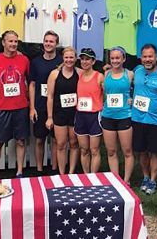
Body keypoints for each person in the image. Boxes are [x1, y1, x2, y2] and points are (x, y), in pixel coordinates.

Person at [0, 30, 29, 179]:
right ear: (3, 42)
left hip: (21, 107)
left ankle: (20, 172)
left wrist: (27, 98)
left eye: (16, 41)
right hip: (2, 107)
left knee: (21, 141)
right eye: (10, 41)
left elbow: (29, 81)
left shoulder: (24, 60)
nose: (13, 44)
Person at [133, 44, 157, 195]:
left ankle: (153, 180)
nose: (147, 59)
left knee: (155, 152)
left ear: (156, 57)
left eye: (150, 56)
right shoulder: (137, 72)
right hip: (138, 119)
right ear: (141, 58)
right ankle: (145, 176)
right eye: (145, 56)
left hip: (156, 121)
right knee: (141, 151)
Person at [29, 30, 62, 175]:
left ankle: (54, 169)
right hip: (40, 106)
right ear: (43, 43)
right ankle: (39, 170)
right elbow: (32, 84)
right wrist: (32, 107)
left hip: (58, 106)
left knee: (56, 140)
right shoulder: (36, 62)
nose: (48, 44)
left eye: (51, 41)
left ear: (56, 44)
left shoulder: (61, 61)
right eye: (46, 41)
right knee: (39, 140)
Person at [102, 46, 134, 184]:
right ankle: (115, 180)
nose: (115, 61)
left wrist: (133, 98)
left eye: (118, 58)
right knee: (111, 151)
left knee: (127, 151)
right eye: (113, 58)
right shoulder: (106, 74)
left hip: (124, 116)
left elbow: (139, 88)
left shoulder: (130, 74)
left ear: (124, 59)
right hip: (108, 115)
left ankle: (126, 181)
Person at [45, 47, 79, 175]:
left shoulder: (79, 73)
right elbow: (50, 96)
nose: (69, 60)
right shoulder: (54, 74)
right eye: (66, 57)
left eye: (71, 57)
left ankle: (71, 172)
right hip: (59, 113)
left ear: (75, 59)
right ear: (63, 58)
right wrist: (49, 117)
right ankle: (62, 173)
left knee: (74, 143)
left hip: (75, 114)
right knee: (61, 144)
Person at [74, 48, 104, 173]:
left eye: (88, 59)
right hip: (81, 115)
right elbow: (65, 64)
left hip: (94, 116)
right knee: (84, 149)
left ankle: (93, 176)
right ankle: (86, 176)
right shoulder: (79, 75)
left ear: (93, 61)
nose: (84, 62)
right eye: (82, 59)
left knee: (94, 149)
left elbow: (108, 94)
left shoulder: (99, 76)